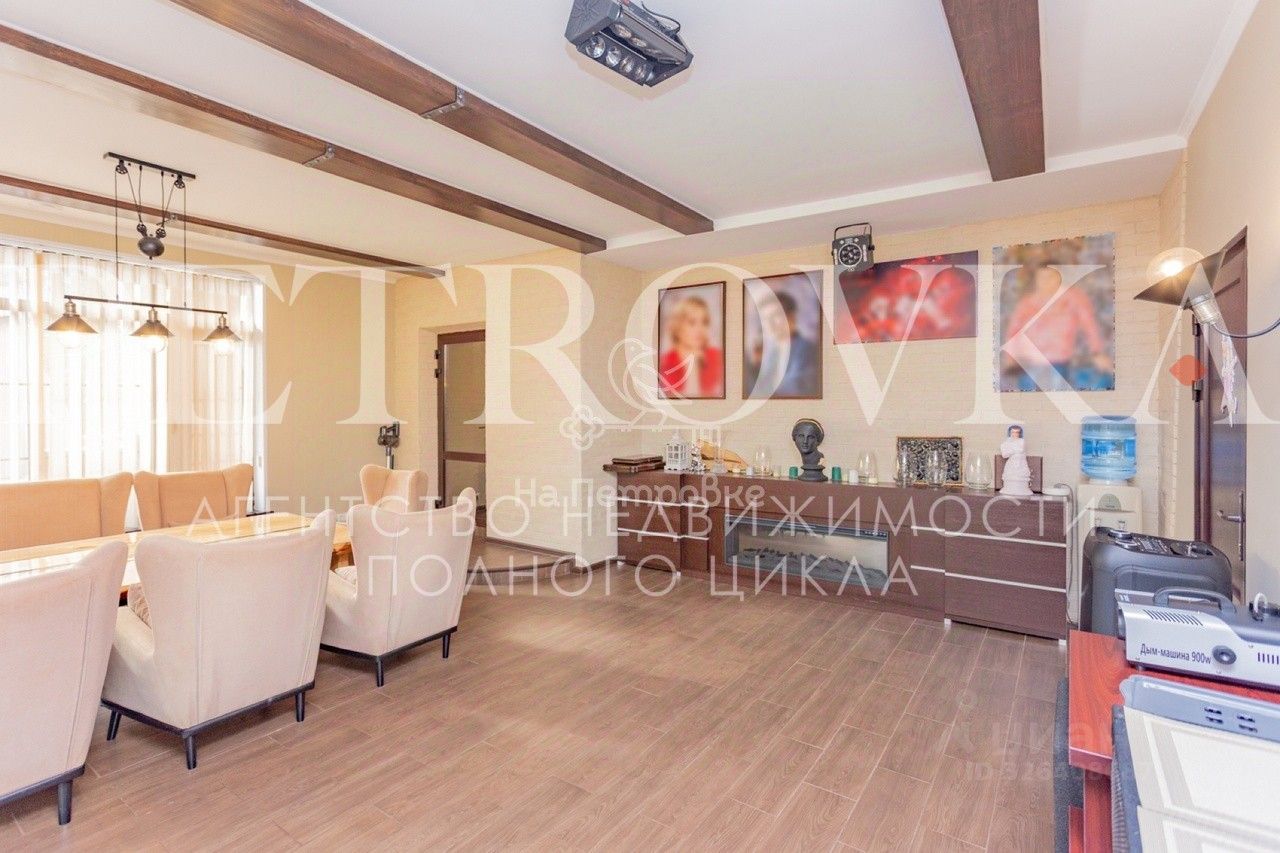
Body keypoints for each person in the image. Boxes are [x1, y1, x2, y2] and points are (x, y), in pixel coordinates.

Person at [1001, 264, 1113, 391]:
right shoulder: (1027, 303)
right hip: (1029, 364)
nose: (1046, 281)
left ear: (1059, 277)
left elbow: (1089, 325)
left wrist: (1097, 352)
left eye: (1051, 276)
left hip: (1059, 363)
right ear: (1036, 280)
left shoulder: (1073, 298)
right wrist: (1010, 358)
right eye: (1041, 278)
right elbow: (1013, 331)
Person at [747, 289, 819, 397]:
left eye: (775, 316)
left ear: (791, 317)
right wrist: (756, 366)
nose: (770, 323)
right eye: (765, 319)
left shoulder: (807, 349)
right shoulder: (772, 352)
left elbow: (796, 387)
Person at [659, 295, 724, 398]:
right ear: (677, 326)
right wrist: (692, 367)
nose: (700, 329)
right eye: (692, 322)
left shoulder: (716, 356)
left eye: (704, 322)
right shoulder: (665, 362)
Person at [1000, 424, 1033, 496]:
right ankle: (1009, 488)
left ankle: (1021, 488)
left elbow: (1020, 449)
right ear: (1010, 433)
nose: (1015, 434)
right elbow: (1004, 454)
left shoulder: (1022, 441)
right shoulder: (1005, 443)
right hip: (1011, 463)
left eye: (1017, 432)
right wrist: (1013, 449)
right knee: (1010, 476)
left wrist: (1011, 449)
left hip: (1020, 463)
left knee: (1021, 476)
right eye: (1013, 432)